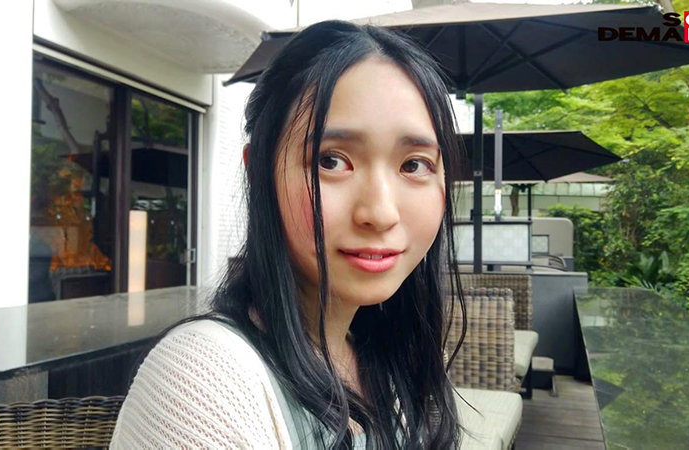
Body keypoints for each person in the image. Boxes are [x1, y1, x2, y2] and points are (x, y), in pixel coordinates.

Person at [110, 20, 467, 449]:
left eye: (413, 165)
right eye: (331, 161)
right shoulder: (204, 384)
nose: (380, 213)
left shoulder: (382, 361)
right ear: (258, 171)